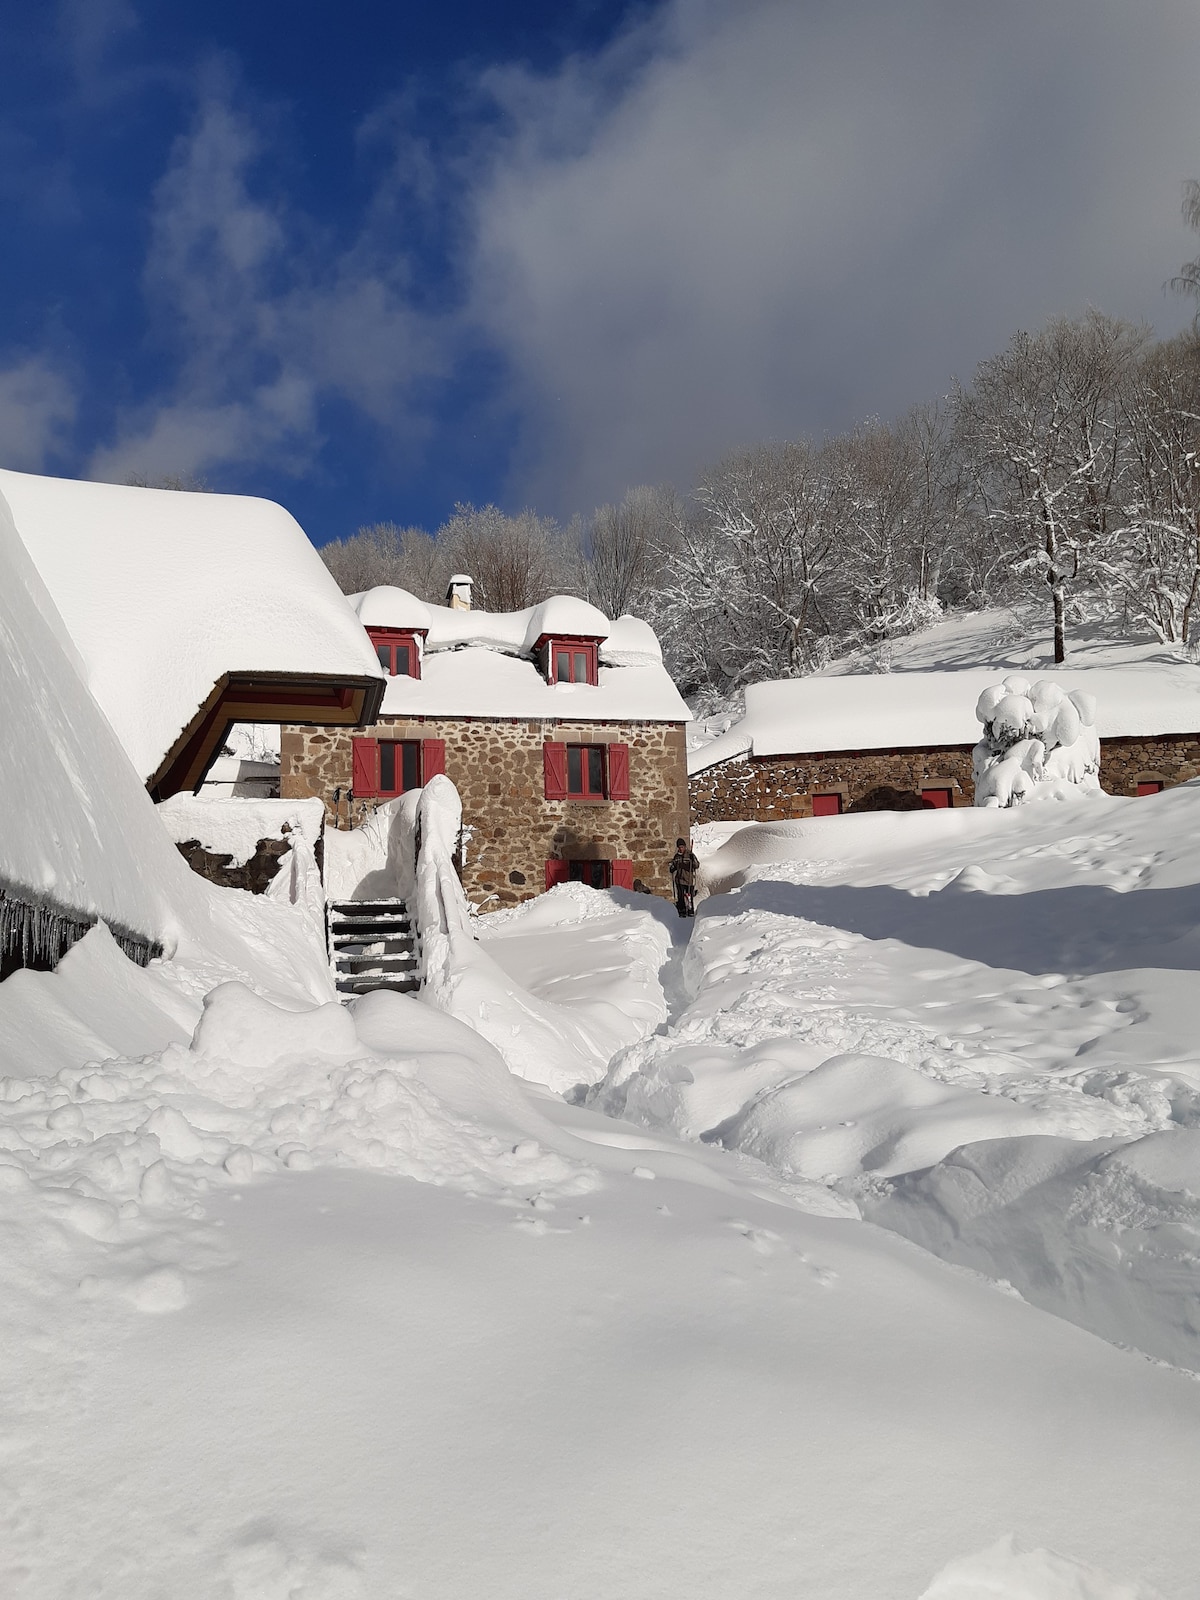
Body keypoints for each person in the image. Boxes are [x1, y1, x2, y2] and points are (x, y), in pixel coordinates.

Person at [669, 836, 699, 917]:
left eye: (682, 847)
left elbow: (696, 865)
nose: (681, 848)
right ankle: (682, 910)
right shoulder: (677, 857)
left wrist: (693, 860)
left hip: (688, 879)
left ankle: (690, 910)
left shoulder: (690, 855)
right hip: (679, 879)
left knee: (689, 896)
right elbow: (674, 866)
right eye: (679, 847)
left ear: (685, 846)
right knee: (681, 896)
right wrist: (672, 868)